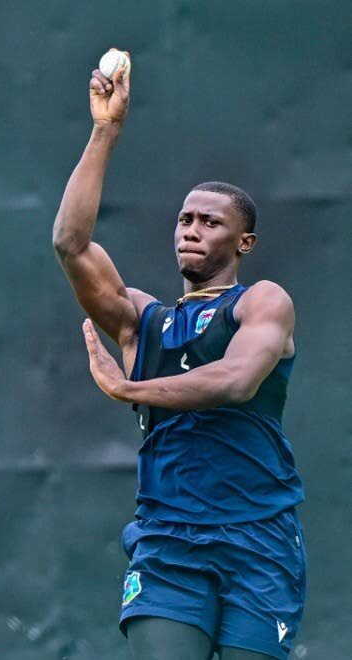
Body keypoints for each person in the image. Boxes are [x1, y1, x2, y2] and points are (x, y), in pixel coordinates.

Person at [52, 53, 305, 660]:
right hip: (168, 542)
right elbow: (71, 242)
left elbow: (238, 380)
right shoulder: (145, 321)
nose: (190, 229)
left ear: (242, 242)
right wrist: (105, 130)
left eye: (210, 222)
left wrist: (130, 390)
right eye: (185, 218)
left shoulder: (261, 302)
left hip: (260, 539)